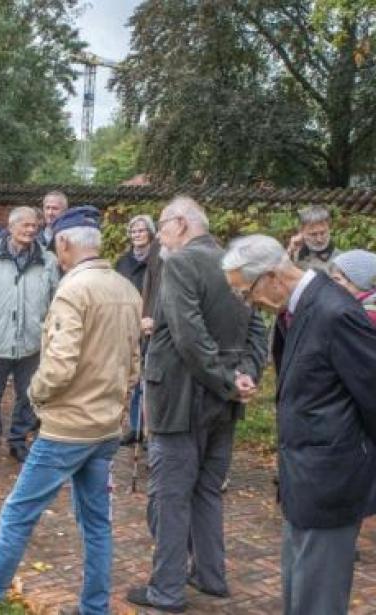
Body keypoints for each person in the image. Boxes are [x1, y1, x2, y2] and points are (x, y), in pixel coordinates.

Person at [0, 206, 141, 615]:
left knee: (17, 516)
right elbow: (133, 364)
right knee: (97, 525)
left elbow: (60, 364)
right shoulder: (126, 290)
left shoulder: (73, 290)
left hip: (67, 430)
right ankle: (94, 608)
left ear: (64, 243)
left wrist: (37, 397)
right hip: (104, 428)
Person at [126, 197, 268, 613]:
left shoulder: (181, 263)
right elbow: (256, 332)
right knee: (207, 490)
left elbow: (188, 336)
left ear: (183, 223)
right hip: (223, 402)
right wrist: (244, 376)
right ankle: (210, 574)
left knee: (170, 497)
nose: (159, 235)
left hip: (181, 400)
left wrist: (228, 380)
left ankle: (167, 590)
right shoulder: (235, 263)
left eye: (163, 225)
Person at [221, 235, 376, 615]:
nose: (248, 303)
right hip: (303, 479)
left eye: (246, 293)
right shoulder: (295, 310)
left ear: (271, 277)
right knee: (300, 589)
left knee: (318, 599)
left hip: (330, 480)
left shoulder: (334, 312)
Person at [0, 206, 59, 465]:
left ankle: (18, 440)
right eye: (25, 225)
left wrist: (49, 338)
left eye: (34, 226)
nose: (31, 230)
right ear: (11, 227)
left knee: (27, 395)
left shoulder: (48, 260)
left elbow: (55, 301)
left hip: (32, 342)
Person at [115, 214, 156, 446]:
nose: (137, 235)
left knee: (148, 379)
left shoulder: (158, 261)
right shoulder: (123, 262)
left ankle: (149, 428)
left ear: (150, 233)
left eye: (141, 230)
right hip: (128, 323)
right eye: (133, 231)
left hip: (150, 323)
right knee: (132, 376)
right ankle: (134, 426)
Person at [285, 205, 339, 272]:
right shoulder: (295, 253)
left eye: (323, 233)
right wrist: (290, 250)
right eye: (313, 234)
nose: (319, 239)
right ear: (301, 232)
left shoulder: (340, 259)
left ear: (329, 229)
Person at [330, 249, 376, 325]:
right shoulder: (361, 306)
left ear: (357, 280)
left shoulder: (365, 316)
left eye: (337, 279)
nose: (331, 284)